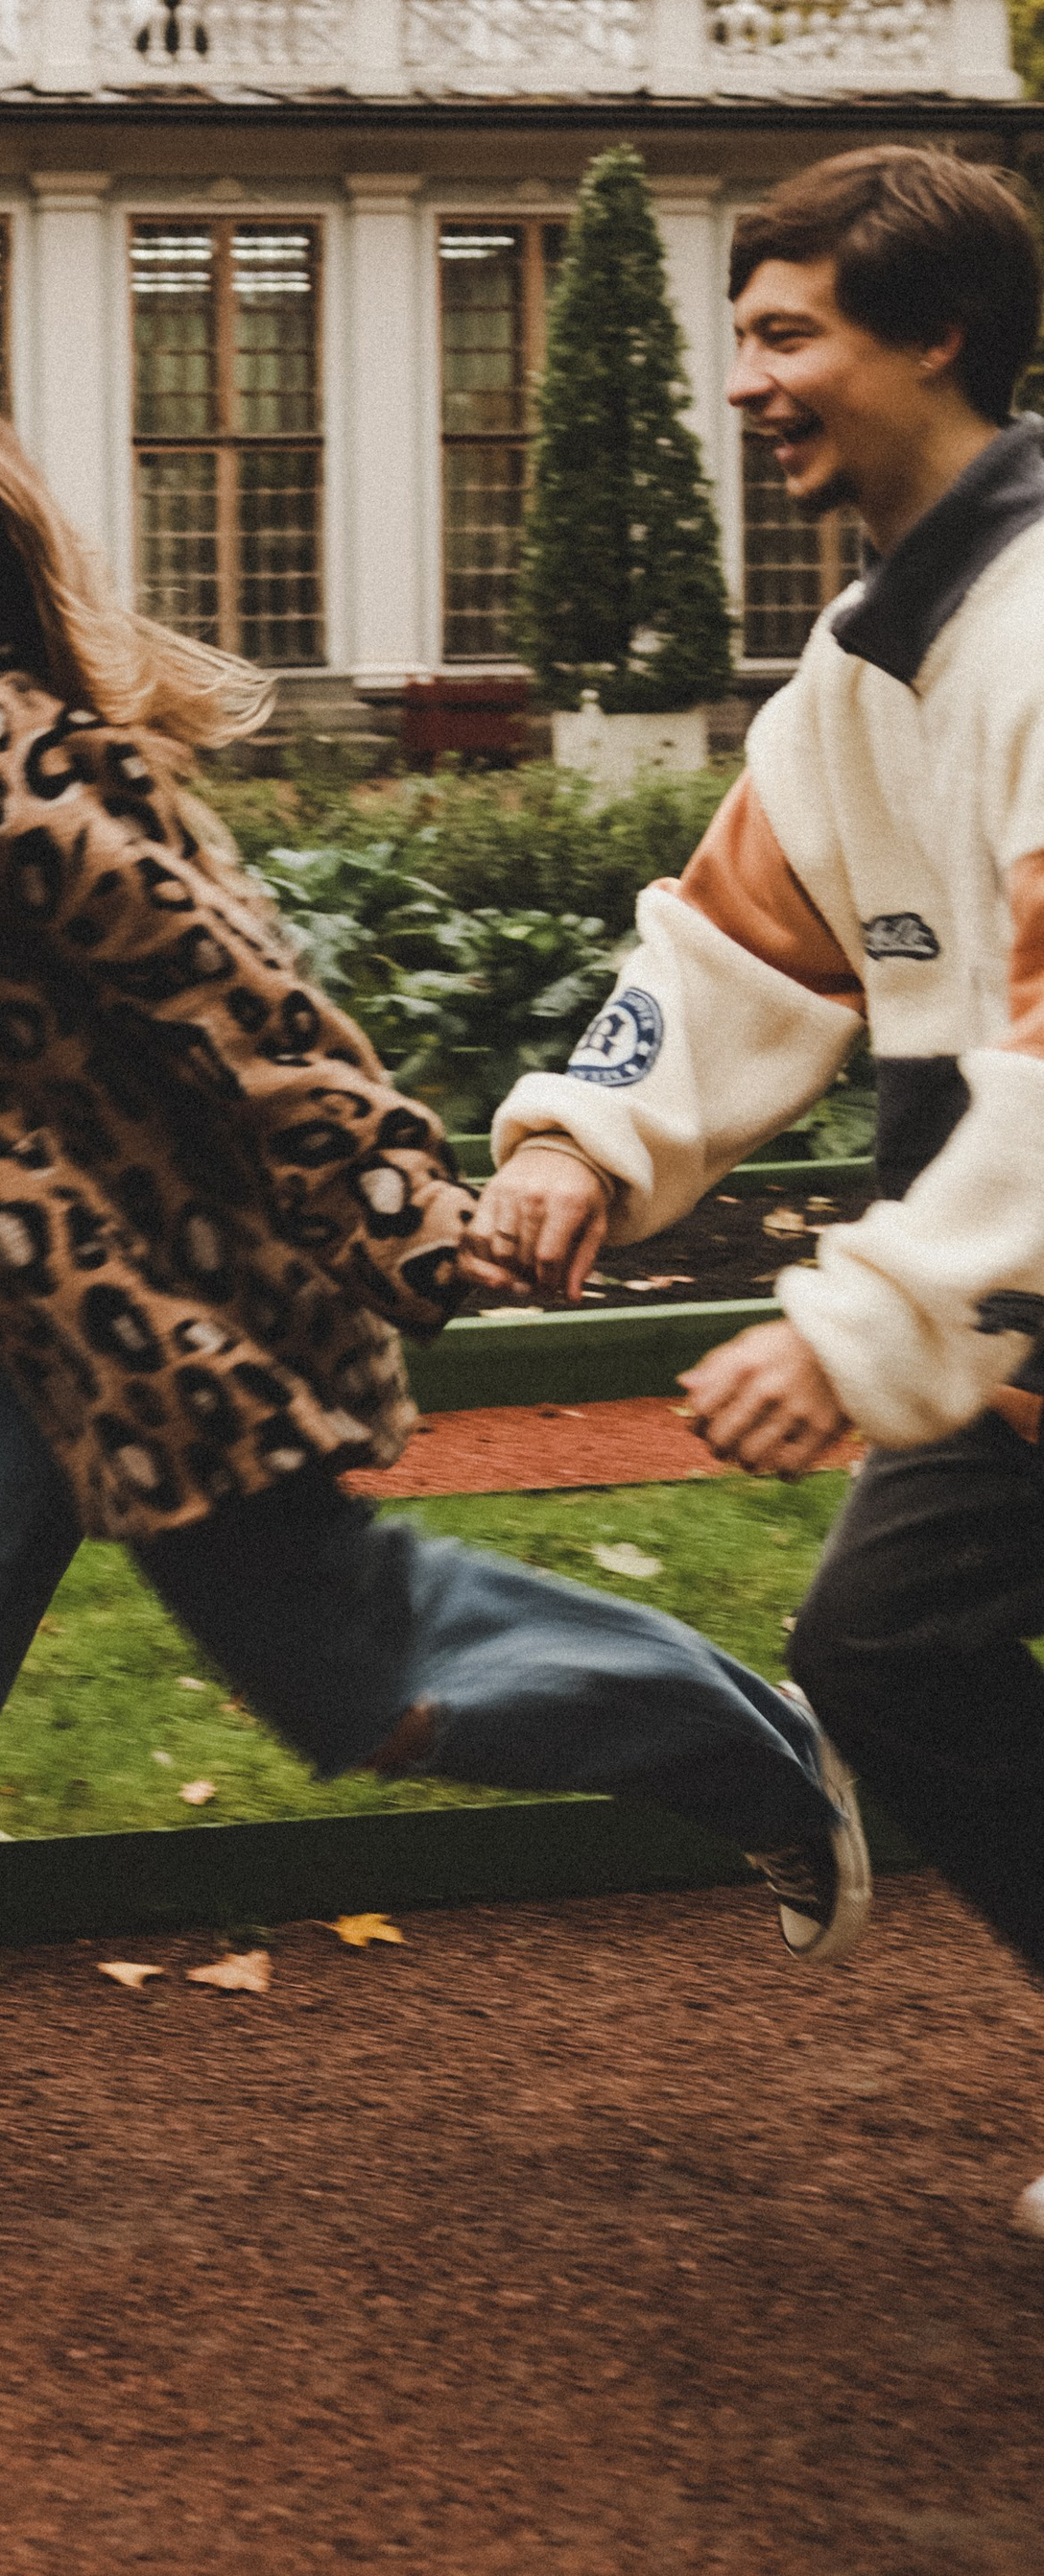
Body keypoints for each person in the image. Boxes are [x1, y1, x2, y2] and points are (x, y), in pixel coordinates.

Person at [0, 377, 863, 2245]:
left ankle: (748, 1742)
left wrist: (416, 1220)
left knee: (350, 1674)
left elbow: (239, 1007)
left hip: (141, 1330)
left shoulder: (8, 758)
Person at [466, 143, 1044, 2239]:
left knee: (885, 1647)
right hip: (1008, 1326)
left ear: (936, 338)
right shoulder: (858, 666)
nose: (739, 383)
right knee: (883, 1652)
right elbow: (724, 950)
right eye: (736, 337)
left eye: (783, 333)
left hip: (978, 1306)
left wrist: (855, 1322)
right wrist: (577, 1145)